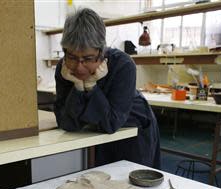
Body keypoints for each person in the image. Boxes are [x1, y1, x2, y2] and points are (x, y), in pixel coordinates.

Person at [54, 8, 161, 168]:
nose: (79, 68)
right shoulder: (64, 69)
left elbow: (111, 123)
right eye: (72, 57)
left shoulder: (123, 65)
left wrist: (91, 86)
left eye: (88, 59)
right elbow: (66, 123)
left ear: (101, 52)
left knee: (130, 183)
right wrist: (77, 87)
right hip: (96, 134)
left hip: (132, 129)